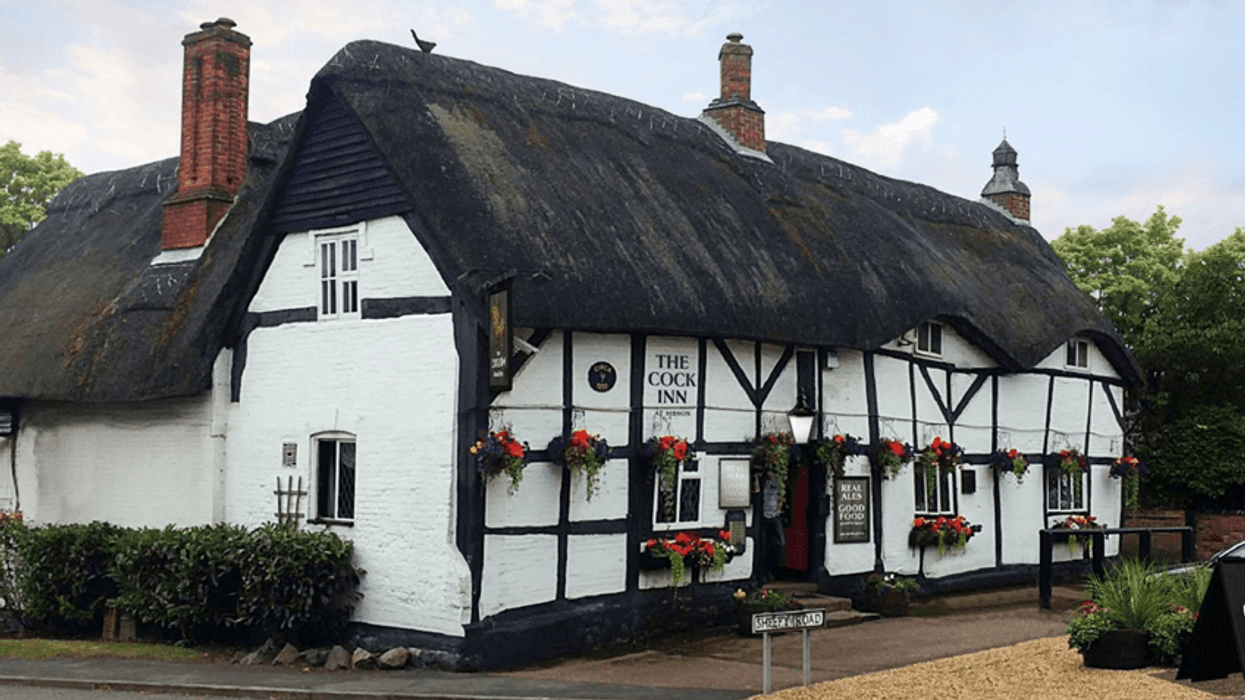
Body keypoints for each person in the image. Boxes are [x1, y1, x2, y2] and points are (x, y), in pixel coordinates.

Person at [757, 473, 785, 583]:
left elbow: (781, 496)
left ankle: (771, 568)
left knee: (780, 544)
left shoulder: (778, 480)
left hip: (774, 516)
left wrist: (779, 508)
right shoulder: (759, 480)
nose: (770, 473)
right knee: (762, 545)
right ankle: (763, 573)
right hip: (761, 516)